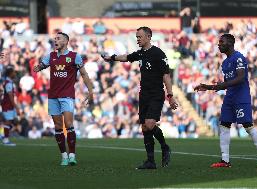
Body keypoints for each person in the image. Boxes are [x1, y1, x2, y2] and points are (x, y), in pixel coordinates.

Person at [102, 26, 178, 169]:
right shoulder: (141, 53)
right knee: (144, 127)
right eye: (136, 37)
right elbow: (126, 57)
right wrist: (111, 58)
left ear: (148, 36)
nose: (137, 39)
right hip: (144, 94)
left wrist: (170, 95)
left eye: (139, 37)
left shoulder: (158, 54)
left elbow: (166, 75)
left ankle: (164, 146)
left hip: (156, 94)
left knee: (150, 124)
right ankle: (150, 161)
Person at [194, 34, 257, 168]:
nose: (219, 44)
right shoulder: (224, 62)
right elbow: (228, 82)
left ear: (230, 43)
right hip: (229, 97)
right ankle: (225, 161)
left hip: (241, 97)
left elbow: (240, 78)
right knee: (224, 125)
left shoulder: (239, 57)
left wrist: (217, 86)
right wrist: (210, 86)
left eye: (221, 42)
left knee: (248, 126)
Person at [33, 32, 94, 166]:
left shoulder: (74, 57)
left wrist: (90, 91)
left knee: (69, 124)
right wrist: (37, 67)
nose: (55, 40)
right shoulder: (51, 56)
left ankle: (72, 155)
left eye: (58, 38)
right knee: (58, 126)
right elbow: (42, 65)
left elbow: (84, 74)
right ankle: (64, 156)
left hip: (67, 95)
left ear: (66, 41)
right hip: (53, 96)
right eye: (54, 39)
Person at [0, 65, 20, 146]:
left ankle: (3, 135)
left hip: (9, 105)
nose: (15, 73)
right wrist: (16, 107)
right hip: (7, 105)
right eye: (13, 72)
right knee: (8, 122)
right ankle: (6, 139)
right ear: (10, 73)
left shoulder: (9, 82)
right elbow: (11, 97)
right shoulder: (8, 83)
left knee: (12, 121)